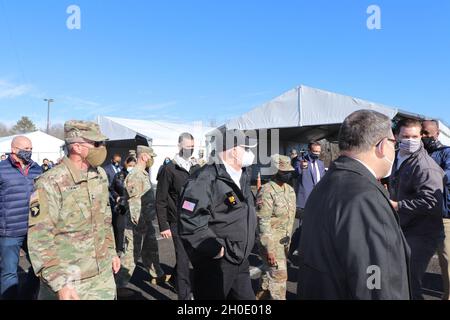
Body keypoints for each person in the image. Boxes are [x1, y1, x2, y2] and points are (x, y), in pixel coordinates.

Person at [298, 110, 411, 300]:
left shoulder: (327, 183)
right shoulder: (366, 198)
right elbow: (376, 283)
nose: (396, 149)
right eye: (395, 143)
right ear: (382, 146)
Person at [27, 121, 120, 300]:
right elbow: (40, 238)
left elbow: (105, 219)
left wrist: (111, 251)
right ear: (77, 147)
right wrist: (58, 283)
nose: (102, 148)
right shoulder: (50, 182)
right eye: (97, 144)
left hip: (102, 278)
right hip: (70, 282)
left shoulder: (99, 175)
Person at [178, 129, 257, 300]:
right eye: (246, 148)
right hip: (216, 263)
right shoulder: (204, 179)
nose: (250, 154)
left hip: (240, 259)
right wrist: (215, 249)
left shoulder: (242, 176)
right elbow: (189, 220)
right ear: (233, 150)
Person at [389, 119, 445, 300]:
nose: (410, 140)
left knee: (410, 282)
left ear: (421, 136)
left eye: (415, 136)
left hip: (423, 232)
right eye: (405, 136)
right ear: (396, 136)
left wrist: (399, 205)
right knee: (399, 278)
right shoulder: (398, 156)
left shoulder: (425, 166)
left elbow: (432, 202)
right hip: (404, 227)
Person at [117, 146, 168, 289]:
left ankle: (158, 275)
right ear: (144, 156)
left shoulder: (143, 174)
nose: (152, 160)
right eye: (151, 157)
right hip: (137, 224)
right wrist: (139, 224)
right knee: (131, 255)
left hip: (146, 221)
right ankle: (119, 286)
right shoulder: (135, 175)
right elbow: (134, 202)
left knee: (151, 249)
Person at [156, 132, 200, 300]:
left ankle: (179, 282)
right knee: (183, 262)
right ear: (180, 146)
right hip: (177, 223)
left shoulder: (197, 168)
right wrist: (164, 225)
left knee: (196, 259)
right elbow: (160, 199)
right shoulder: (170, 169)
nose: (191, 149)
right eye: (188, 147)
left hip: (196, 222)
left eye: (192, 146)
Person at [0, 136, 42, 299]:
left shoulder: (37, 169)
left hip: (33, 228)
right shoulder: (2, 169)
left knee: (40, 267)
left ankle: (25, 295)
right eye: (26, 148)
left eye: (31, 149)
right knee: (9, 273)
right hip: (9, 229)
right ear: (14, 150)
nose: (29, 152)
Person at [256, 155, 296, 300]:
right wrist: (269, 250)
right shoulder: (267, 191)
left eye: (289, 171)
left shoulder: (290, 190)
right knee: (279, 280)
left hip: (284, 244)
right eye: (283, 172)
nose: (287, 175)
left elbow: (292, 214)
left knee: (269, 279)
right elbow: (263, 221)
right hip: (271, 244)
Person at [422, 120, 450, 300]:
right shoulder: (418, 154)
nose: (423, 137)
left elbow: (447, 176)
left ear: (436, 133)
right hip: (420, 216)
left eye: (426, 133)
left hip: (443, 216)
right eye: (421, 134)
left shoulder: (446, 152)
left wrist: (423, 174)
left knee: (446, 260)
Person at [289, 142, 325, 257]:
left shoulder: (320, 163)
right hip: (304, 200)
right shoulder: (301, 161)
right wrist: (301, 167)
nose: (317, 153)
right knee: (303, 228)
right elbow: (295, 173)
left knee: (316, 226)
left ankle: (309, 248)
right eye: (315, 151)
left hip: (318, 200)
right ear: (309, 150)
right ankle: (290, 250)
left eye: (318, 151)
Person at [109, 156, 137, 255]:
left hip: (134, 206)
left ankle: (132, 249)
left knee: (133, 229)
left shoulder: (138, 176)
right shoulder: (119, 175)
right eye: (130, 165)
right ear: (126, 164)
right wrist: (116, 196)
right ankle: (119, 249)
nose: (132, 167)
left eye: (134, 165)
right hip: (122, 205)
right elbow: (111, 189)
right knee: (120, 228)